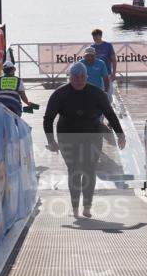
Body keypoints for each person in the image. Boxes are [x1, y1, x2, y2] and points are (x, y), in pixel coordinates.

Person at [43, 63, 126, 218]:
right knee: (74, 171)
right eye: (75, 77)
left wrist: (120, 135)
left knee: (89, 169)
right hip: (67, 134)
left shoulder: (96, 93)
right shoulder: (60, 94)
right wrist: (51, 141)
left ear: (87, 77)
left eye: (82, 77)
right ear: (69, 78)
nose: (79, 81)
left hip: (92, 134)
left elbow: (110, 114)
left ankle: (87, 207)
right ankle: (75, 208)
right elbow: (48, 119)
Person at [90, 29, 117, 101]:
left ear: (100, 36)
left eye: (96, 36)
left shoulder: (108, 45)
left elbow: (114, 60)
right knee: (97, 93)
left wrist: (114, 73)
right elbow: (89, 61)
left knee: (108, 94)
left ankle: (109, 109)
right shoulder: (92, 47)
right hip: (96, 74)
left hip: (107, 73)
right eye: (93, 36)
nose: (94, 38)